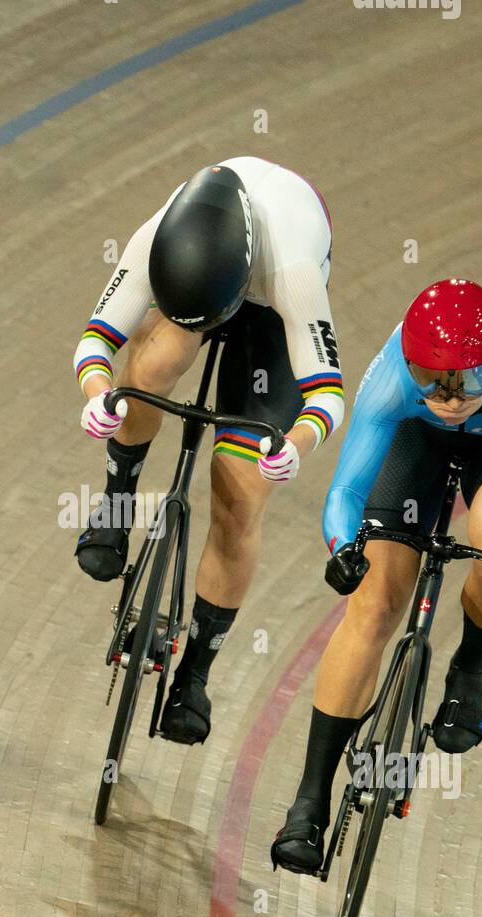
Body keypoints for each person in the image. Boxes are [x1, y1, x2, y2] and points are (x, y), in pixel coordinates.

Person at [271, 278, 482, 873]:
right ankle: (309, 802)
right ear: (411, 365)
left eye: (467, 383)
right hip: (415, 439)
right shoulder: (394, 380)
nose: (451, 398)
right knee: (374, 605)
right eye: (432, 381)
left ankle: (470, 668)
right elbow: (347, 491)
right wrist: (342, 547)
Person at [73, 158, 344, 744]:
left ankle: (194, 675)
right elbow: (97, 338)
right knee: (151, 365)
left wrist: (296, 444)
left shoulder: (293, 272)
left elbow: (327, 395)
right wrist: (100, 395)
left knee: (239, 497)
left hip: (268, 315)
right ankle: (117, 504)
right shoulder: (156, 241)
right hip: (196, 282)